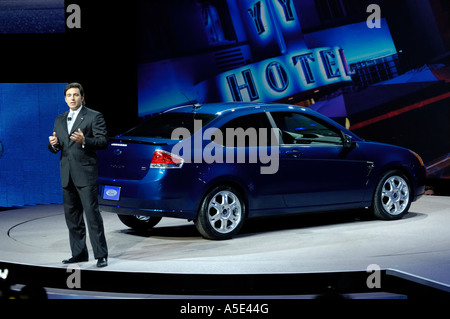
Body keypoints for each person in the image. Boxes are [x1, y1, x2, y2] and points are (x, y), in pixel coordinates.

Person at [48, 82, 108, 267]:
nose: (72, 98)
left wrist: (85, 140)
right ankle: (79, 253)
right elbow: (57, 147)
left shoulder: (93, 116)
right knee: (72, 218)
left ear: (82, 97)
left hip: (85, 173)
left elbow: (103, 141)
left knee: (92, 216)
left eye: (75, 95)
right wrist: (53, 144)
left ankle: (101, 255)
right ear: (65, 99)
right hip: (67, 174)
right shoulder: (60, 119)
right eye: (69, 95)